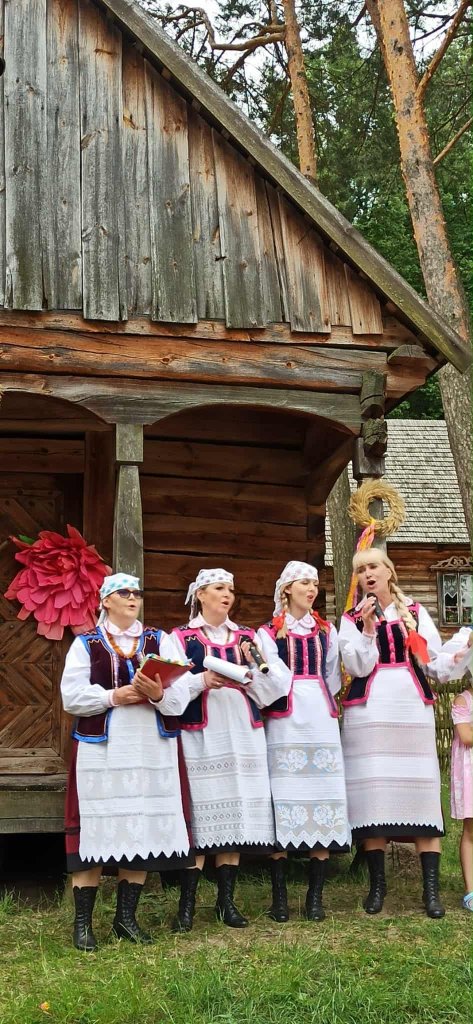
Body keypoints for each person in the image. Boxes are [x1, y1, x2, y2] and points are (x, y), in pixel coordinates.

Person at [61, 572, 193, 951]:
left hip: (151, 745)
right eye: (124, 593)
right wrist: (114, 696)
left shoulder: (160, 639)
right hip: (104, 747)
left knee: (141, 825)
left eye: (137, 592)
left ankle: (126, 919)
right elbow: (71, 697)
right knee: (98, 827)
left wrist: (156, 694)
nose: (133, 598)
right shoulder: (86, 644)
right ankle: (83, 924)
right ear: (106, 601)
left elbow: (180, 694)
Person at [170, 568, 291, 932]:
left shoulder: (247, 636)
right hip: (201, 733)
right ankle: (187, 906)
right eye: (219, 589)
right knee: (202, 813)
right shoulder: (181, 637)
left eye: (231, 590)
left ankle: (226, 902)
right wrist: (200, 680)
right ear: (201, 595)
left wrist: (254, 667)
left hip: (241, 731)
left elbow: (277, 686)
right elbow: (170, 689)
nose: (227, 595)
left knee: (235, 810)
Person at [338, 548, 446, 919]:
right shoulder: (350, 618)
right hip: (369, 711)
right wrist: (368, 630)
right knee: (375, 794)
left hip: (411, 709)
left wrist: (462, 653)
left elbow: (434, 662)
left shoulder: (414, 611)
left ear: (389, 572)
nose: (368, 574)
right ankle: (377, 886)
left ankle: (430, 891)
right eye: (361, 570)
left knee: (421, 790)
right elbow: (356, 664)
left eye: (373, 567)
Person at [256, 561, 350, 923]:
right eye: (304, 583)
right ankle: (279, 898)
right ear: (287, 590)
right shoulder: (268, 632)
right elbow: (266, 676)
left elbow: (332, 675)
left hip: (320, 717)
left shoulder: (327, 630)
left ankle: (315, 897)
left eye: (314, 583)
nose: (311, 588)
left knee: (321, 794)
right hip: (285, 718)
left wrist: (316, 695)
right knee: (283, 796)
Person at [435, 626, 473, 911]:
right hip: (470, 775)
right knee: (471, 831)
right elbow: (466, 736)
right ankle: (471, 890)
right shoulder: (463, 700)